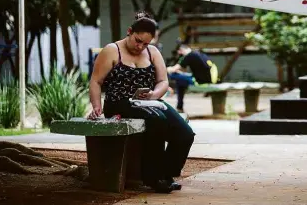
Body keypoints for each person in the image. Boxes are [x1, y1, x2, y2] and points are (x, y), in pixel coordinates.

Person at [88, 11, 195, 193]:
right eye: (138, 40)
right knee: (157, 120)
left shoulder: (152, 52)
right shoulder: (112, 50)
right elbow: (96, 81)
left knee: (185, 134)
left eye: (146, 43)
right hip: (119, 102)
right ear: (130, 31)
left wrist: (154, 94)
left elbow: (163, 81)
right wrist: (96, 106)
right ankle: (153, 178)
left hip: (149, 102)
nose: (140, 47)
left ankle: (166, 174)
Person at [167, 44, 218, 112]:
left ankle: (179, 106)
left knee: (173, 75)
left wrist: (166, 69)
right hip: (209, 79)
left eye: (180, 53)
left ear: (181, 50)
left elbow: (173, 69)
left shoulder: (189, 56)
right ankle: (179, 107)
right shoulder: (198, 53)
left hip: (200, 82)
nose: (180, 55)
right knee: (180, 82)